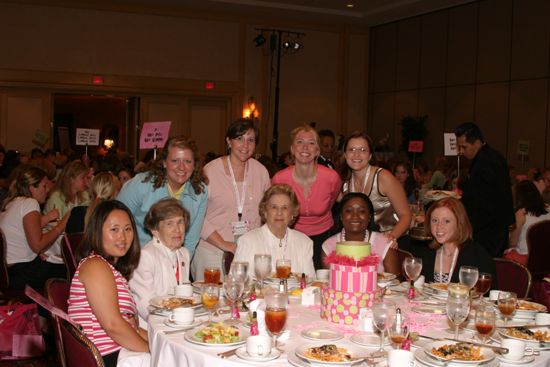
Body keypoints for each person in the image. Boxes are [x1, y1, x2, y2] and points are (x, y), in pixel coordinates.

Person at [68, 200, 149, 367]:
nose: (123, 237)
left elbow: (127, 327)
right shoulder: (95, 266)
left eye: (128, 229)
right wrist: (153, 350)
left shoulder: (110, 269)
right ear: (97, 232)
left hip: (118, 352)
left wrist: (160, 343)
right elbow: (113, 325)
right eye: (114, 229)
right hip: (103, 358)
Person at [192, 119, 270, 280]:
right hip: (212, 252)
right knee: (211, 302)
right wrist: (225, 244)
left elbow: (266, 211)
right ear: (229, 141)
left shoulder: (261, 171)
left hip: (248, 251)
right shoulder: (210, 171)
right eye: (239, 139)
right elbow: (197, 214)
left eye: (251, 140)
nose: (245, 145)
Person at [117, 135, 207, 258]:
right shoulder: (141, 184)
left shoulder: (200, 191)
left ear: (194, 164)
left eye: (187, 161)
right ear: (164, 162)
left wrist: (180, 266)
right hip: (137, 258)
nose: (181, 167)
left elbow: (191, 238)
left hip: (174, 261)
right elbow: (116, 219)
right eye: (175, 161)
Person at [272, 125, 342, 269]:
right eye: (300, 142)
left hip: (324, 237)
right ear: (292, 149)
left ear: (317, 151)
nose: (305, 147)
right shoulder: (279, 179)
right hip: (290, 237)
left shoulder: (331, 177)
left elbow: (331, 203)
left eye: (311, 143)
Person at [0, 166, 68, 290]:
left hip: (7, 273)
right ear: (32, 188)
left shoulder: (12, 202)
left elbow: (28, 228)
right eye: (44, 186)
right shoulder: (30, 203)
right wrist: (61, 226)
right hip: (21, 273)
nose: (47, 190)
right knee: (70, 270)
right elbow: (38, 246)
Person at [341, 131, 411, 248]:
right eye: (352, 150)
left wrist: (391, 237)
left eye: (363, 150)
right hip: (365, 244)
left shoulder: (383, 177)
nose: (357, 154)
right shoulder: (345, 184)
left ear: (370, 156)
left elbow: (406, 216)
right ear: (345, 155)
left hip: (393, 241)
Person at [455, 122, 515, 257]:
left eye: (464, 147)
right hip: (495, 229)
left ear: (477, 143)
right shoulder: (492, 156)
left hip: (488, 233)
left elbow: (484, 204)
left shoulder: (484, 164)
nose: (461, 151)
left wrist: (465, 228)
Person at [234, 184, 315, 279]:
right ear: (265, 211)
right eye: (274, 207)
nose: (279, 213)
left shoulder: (304, 242)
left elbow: (310, 282)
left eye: (285, 208)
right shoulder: (248, 241)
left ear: (292, 213)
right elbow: (237, 282)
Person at [130, 198, 191, 321]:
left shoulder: (184, 253)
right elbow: (146, 305)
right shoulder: (145, 257)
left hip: (179, 320)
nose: (177, 230)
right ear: (155, 231)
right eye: (169, 224)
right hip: (153, 326)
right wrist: (175, 319)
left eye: (180, 222)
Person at [418, 197, 497, 284]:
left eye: (447, 221)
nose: (439, 226)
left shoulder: (477, 255)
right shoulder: (426, 254)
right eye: (435, 220)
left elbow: (488, 295)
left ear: (459, 223)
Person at [321, 192, 399, 274]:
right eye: (349, 211)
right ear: (341, 216)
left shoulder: (384, 243)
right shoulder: (329, 245)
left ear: (369, 217)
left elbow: (395, 282)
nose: (355, 216)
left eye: (362, 211)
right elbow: (328, 282)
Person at [506, 180, 550, 265]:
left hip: (526, 259)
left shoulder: (521, 213)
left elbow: (512, 243)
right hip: (546, 257)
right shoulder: (548, 209)